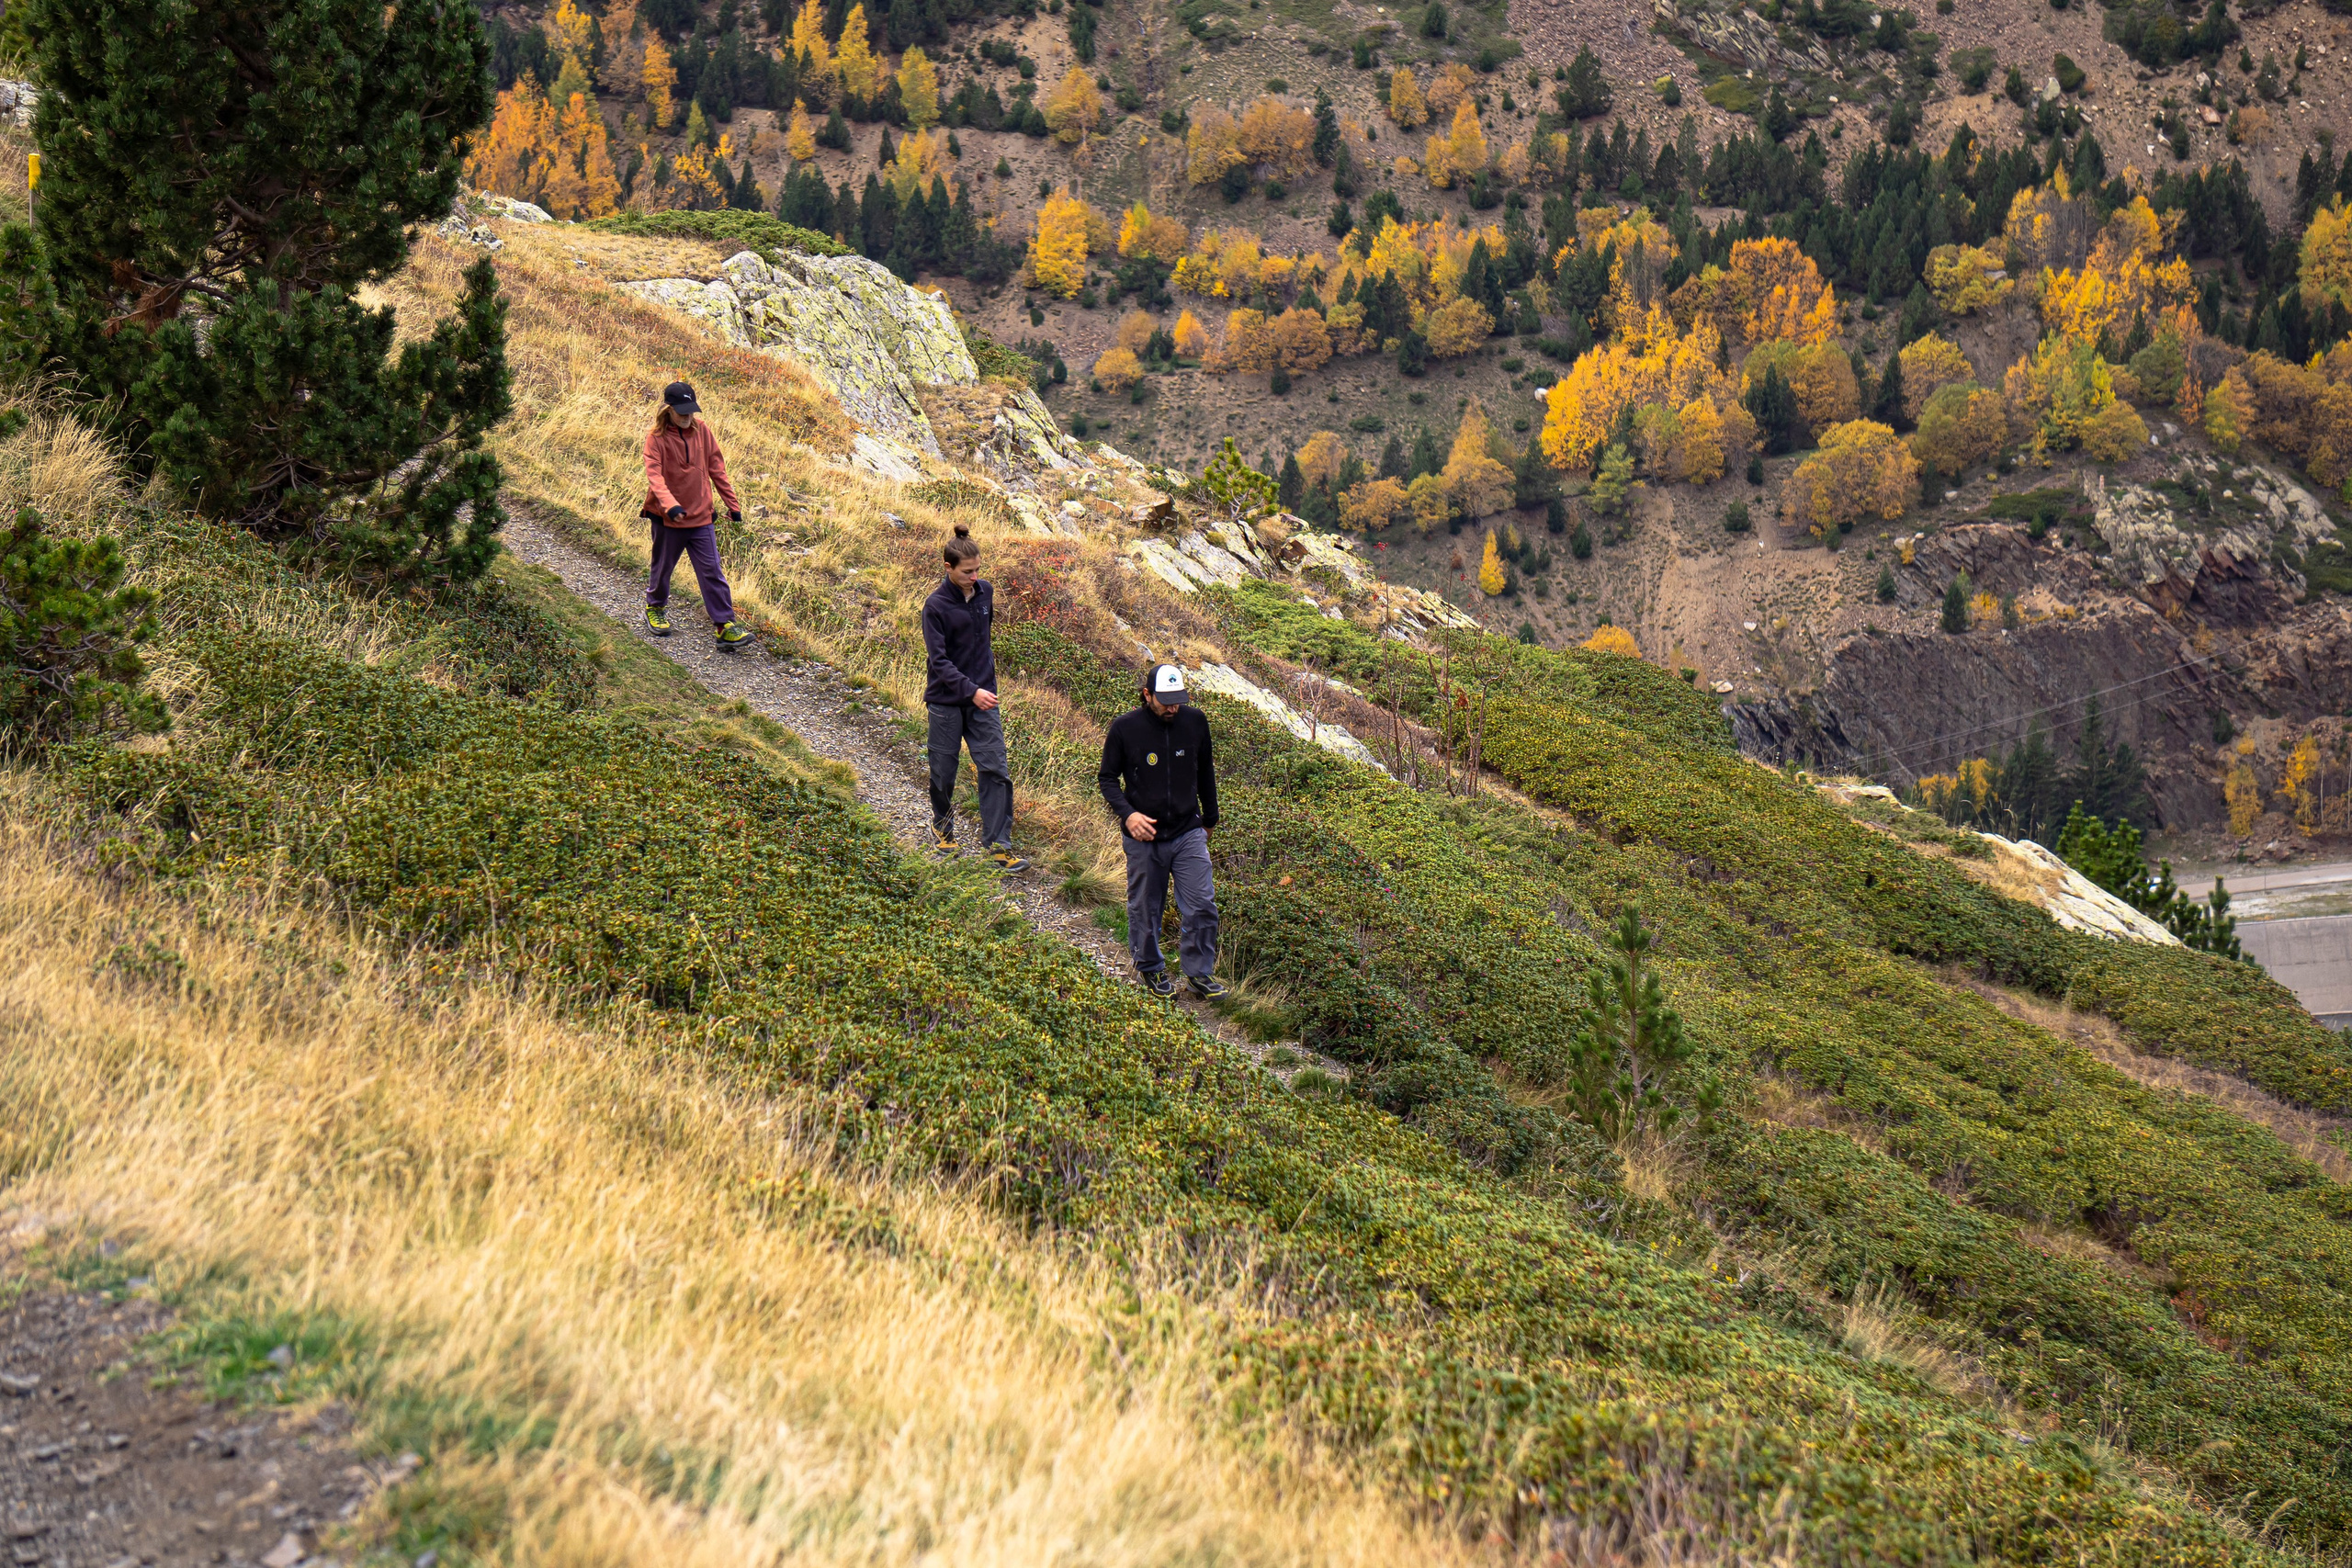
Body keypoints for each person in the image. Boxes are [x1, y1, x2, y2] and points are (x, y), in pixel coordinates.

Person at [1097, 663, 1226, 1000]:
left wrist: (1209, 819)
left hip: (1188, 830)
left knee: (1201, 905)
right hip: (1144, 835)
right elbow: (1107, 779)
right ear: (1147, 694)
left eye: (1178, 700)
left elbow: (1205, 771)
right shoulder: (1125, 728)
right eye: (1165, 700)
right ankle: (1151, 967)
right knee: (1145, 906)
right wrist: (1128, 816)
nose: (1173, 707)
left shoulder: (1195, 722)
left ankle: (1199, 973)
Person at [922, 525, 1026, 872]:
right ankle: (943, 827)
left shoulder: (986, 594)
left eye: (978, 570)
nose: (974, 577)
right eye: (967, 572)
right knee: (943, 771)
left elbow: (983, 645)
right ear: (947, 567)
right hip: (946, 702)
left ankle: (999, 846)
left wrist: (985, 688)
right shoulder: (934, 606)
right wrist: (972, 690)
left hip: (985, 700)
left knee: (996, 769)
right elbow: (939, 663)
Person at [640, 379, 752, 649]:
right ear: (668, 410)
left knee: (712, 571)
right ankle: (655, 607)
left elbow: (717, 469)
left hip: (702, 516)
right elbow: (654, 477)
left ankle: (724, 625)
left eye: (691, 411)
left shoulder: (702, 431)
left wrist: (732, 504)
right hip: (669, 518)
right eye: (682, 413)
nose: (688, 418)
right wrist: (671, 505)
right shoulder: (655, 438)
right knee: (663, 568)